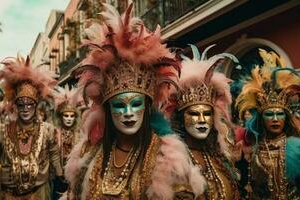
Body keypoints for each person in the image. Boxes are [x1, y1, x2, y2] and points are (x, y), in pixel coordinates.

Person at [60, 3, 206, 200]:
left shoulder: (169, 158)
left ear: (147, 107)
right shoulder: (90, 154)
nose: (128, 113)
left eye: (136, 104)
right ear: (108, 109)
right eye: (120, 105)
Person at [0, 56, 63, 200]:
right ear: (15, 105)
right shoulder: (2, 131)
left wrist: (61, 176)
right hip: (8, 195)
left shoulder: (48, 130)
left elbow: (53, 154)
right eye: (21, 105)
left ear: (36, 106)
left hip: (38, 194)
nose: (26, 109)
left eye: (30, 105)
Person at [171, 44, 240, 199]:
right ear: (181, 118)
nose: (202, 120)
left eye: (207, 114)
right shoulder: (173, 161)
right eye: (194, 114)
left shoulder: (218, 157)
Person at [235, 49, 300, 199]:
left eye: (280, 114)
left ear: (286, 117)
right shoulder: (254, 149)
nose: (275, 118)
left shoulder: (297, 148)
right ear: (261, 119)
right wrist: (238, 164)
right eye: (270, 114)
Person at [52, 87, 81, 199]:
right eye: (66, 115)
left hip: (74, 179)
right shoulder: (55, 133)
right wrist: (58, 172)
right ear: (61, 116)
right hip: (57, 178)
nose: (69, 119)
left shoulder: (80, 134)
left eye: (72, 116)